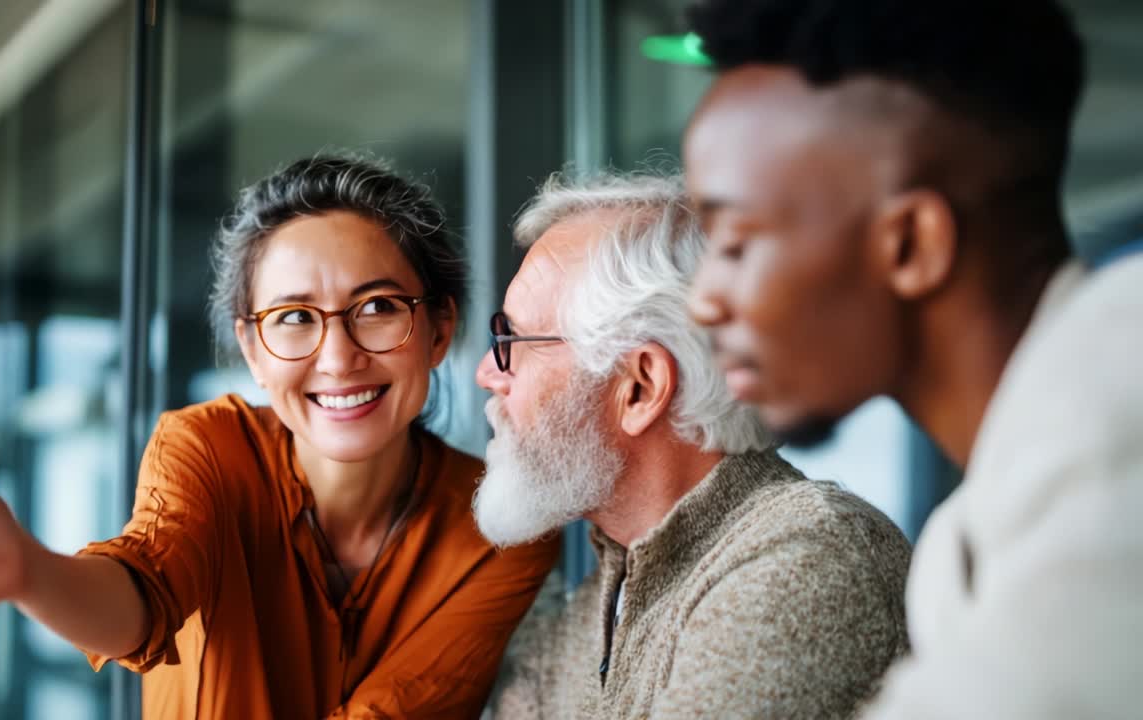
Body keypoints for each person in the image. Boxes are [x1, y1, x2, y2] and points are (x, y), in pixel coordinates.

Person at [0, 154, 559, 719]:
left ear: (440, 330)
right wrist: (27, 571)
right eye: (294, 317)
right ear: (253, 350)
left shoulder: (501, 529)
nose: (338, 359)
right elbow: (143, 592)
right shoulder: (208, 449)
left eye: (377, 307)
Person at [684, 1, 1143, 716]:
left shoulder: (1112, 414)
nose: (703, 302)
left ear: (912, 245)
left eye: (736, 244)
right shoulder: (962, 545)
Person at [478, 171, 912, 718]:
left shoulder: (808, 562)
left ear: (640, 388)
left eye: (513, 341)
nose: (486, 374)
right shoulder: (592, 607)